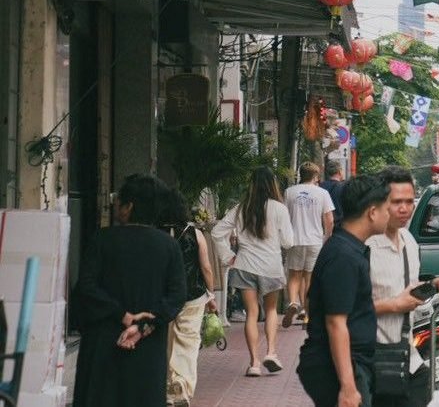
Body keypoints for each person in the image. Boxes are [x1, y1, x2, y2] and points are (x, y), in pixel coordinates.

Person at [71, 174, 187, 407]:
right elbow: (177, 296)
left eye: (117, 198)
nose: (114, 203)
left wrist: (121, 315)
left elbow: (86, 288)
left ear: (129, 206)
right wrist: (142, 326)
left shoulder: (102, 240)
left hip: (102, 347)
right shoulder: (168, 246)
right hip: (147, 350)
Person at [368, 167, 439, 407]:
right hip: (370, 360)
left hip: (407, 359)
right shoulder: (363, 245)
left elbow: (407, 286)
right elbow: (341, 308)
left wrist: (436, 282)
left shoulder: (408, 240)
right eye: (396, 202)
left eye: (409, 201)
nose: (405, 208)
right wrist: (393, 305)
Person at [298, 174, 392, 407]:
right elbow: (335, 322)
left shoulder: (348, 248)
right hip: (337, 367)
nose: (388, 215)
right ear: (372, 212)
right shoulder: (344, 256)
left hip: (348, 363)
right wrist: (348, 387)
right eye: (386, 209)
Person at [214, 166, 297, 377]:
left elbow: (216, 232)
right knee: (270, 311)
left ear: (251, 185)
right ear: (272, 185)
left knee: (252, 313)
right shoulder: (279, 209)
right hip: (270, 267)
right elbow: (288, 242)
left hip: (244, 266)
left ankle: (254, 363)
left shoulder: (241, 208)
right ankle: (271, 352)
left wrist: (227, 256)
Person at [157, 183, 216, 407]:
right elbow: (206, 267)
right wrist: (211, 295)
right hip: (193, 295)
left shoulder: (156, 232)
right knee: (188, 341)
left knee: (168, 341)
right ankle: (181, 386)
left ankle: (169, 385)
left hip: (164, 297)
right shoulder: (195, 233)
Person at [285, 162, 336, 327]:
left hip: (295, 239)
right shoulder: (322, 193)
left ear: (301, 174)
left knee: (294, 275)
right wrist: (327, 237)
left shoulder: (289, 192)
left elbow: (284, 217)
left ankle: (293, 303)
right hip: (315, 240)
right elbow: (329, 219)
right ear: (315, 176)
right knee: (310, 278)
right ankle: (307, 313)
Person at [323, 159, 347, 228]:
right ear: (339, 172)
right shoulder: (344, 187)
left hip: (323, 225)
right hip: (339, 226)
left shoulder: (320, 187)